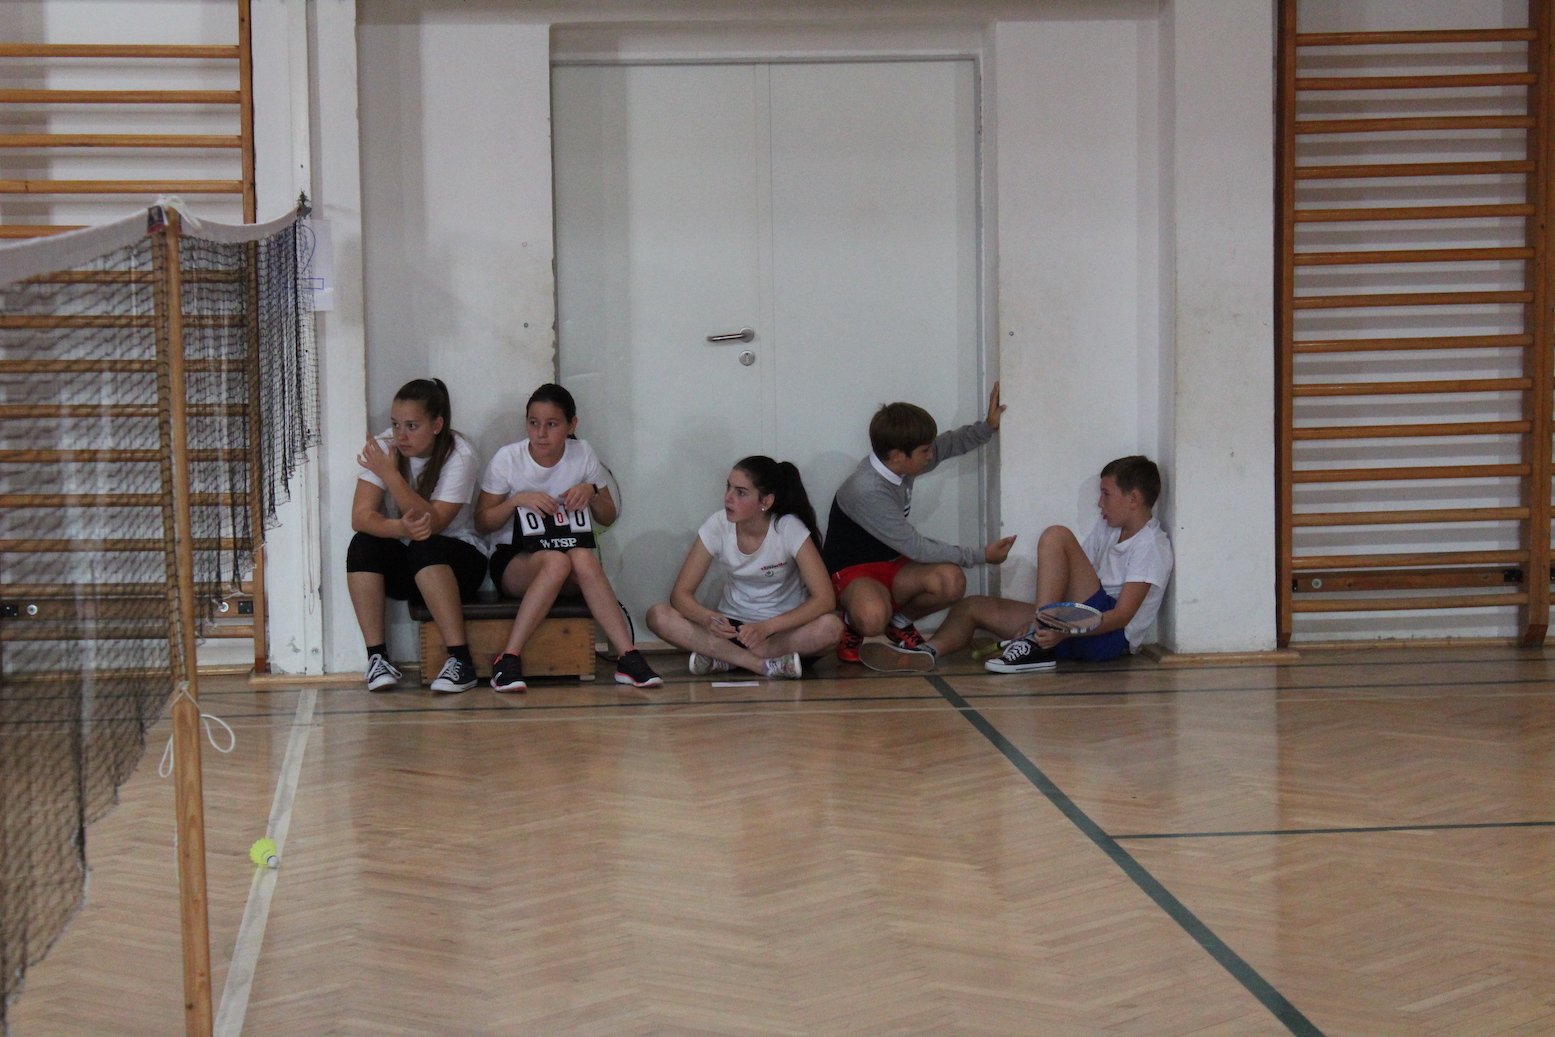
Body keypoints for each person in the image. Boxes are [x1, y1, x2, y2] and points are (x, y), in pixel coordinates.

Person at [860, 455, 1172, 673]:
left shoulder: (1151, 545)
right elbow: (1075, 580)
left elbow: (1122, 616)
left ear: (1134, 499)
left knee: (1056, 536)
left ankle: (1038, 638)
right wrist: (1051, 625)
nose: (1099, 503)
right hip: (1071, 624)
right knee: (972, 607)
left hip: (1105, 638)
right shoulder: (1109, 529)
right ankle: (927, 652)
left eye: (1106, 494)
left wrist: (1057, 628)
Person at [474, 383, 662, 692]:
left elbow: (608, 516)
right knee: (557, 563)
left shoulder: (582, 453)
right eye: (533, 423)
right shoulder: (509, 458)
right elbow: (481, 522)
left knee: (581, 556)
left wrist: (591, 492)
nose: (541, 433)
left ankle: (628, 656)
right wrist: (516, 501)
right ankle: (507, 658)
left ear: (571, 425)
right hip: (516, 560)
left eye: (552, 424)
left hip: (568, 554)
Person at [822, 384, 1016, 665]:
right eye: (925, 451)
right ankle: (853, 622)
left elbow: (947, 445)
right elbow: (917, 548)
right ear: (898, 455)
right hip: (854, 571)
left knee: (951, 581)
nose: (930, 455)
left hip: (892, 563)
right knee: (872, 618)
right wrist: (981, 555)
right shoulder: (867, 489)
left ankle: (899, 622)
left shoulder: (901, 463)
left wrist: (988, 427)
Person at [347, 378, 488, 694]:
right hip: (411, 561)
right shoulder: (385, 447)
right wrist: (399, 528)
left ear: (437, 425)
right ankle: (378, 659)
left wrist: (390, 475)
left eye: (412, 426)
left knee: (426, 545)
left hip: (460, 562)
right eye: (395, 424)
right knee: (363, 544)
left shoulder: (460, 453)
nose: (401, 435)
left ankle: (461, 661)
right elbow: (360, 517)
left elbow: (433, 523)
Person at [646, 457, 843, 678]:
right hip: (732, 631)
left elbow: (825, 599)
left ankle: (725, 658)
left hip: (780, 631)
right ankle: (761, 665)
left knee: (831, 628)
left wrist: (768, 627)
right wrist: (707, 618)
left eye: (741, 492)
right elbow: (680, 594)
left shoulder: (788, 528)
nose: (728, 498)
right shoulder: (718, 525)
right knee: (658, 616)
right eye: (728, 487)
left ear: (766, 502)